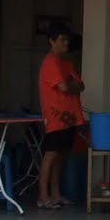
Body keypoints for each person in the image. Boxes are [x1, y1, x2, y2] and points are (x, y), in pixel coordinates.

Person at [36, 22, 86, 209]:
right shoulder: (50, 62)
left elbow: (81, 85)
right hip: (56, 117)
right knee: (50, 155)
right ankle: (43, 196)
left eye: (67, 40)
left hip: (70, 116)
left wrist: (71, 86)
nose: (66, 44)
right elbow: (66, 86)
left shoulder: (66, 63)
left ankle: (56, 193)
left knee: (61, 156)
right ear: (52, 41)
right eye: (62, 40)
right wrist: (72, 86)